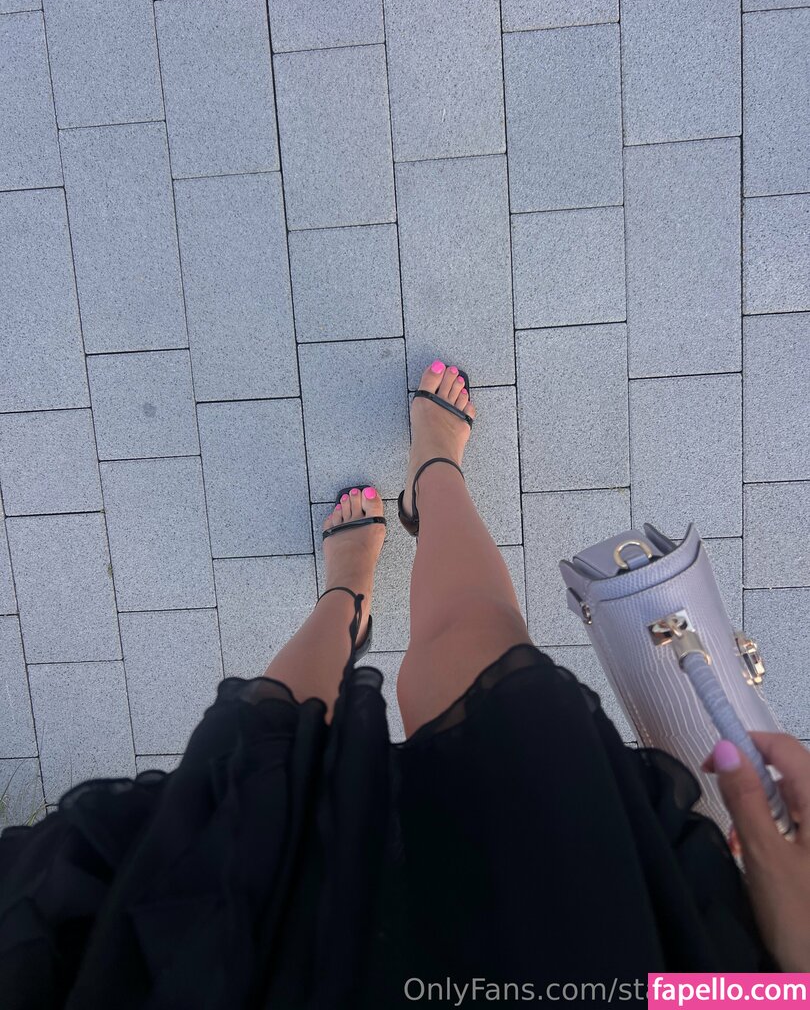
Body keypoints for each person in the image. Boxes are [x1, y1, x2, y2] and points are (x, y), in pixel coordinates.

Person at [1, 358, 808, 1009]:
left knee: (267, 771)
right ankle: (433, 478)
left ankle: (344, 603)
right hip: (594, 967)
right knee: (494, 685)